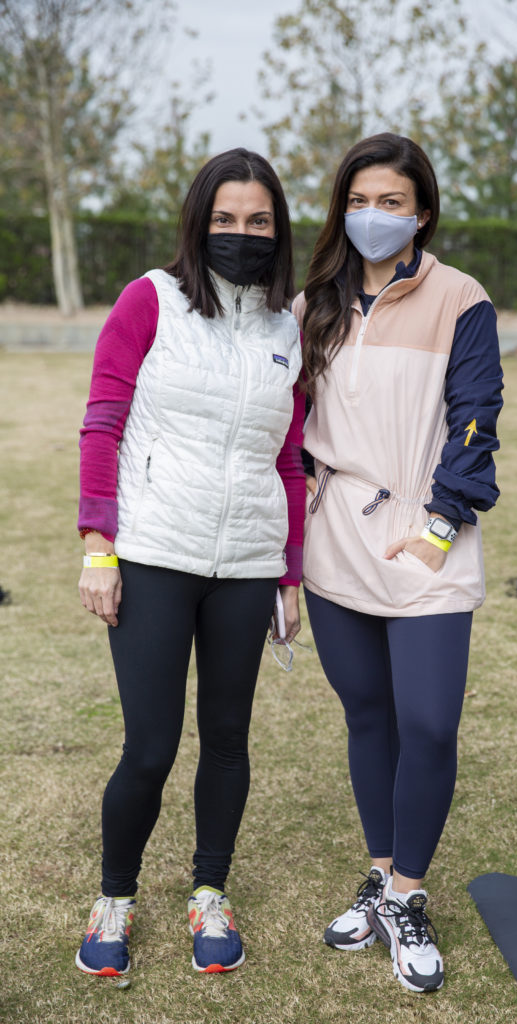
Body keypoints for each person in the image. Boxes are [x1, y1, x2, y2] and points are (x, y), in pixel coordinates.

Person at [75, 149, 305, 977]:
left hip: (245, 563)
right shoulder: (150, 299)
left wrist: (288, 574)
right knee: (149, 748)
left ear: (278, 230)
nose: (241, 233)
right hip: (154, 554)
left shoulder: (288, 328)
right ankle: (115, 897)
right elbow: (102, 424)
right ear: (197, 223)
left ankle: (210, 891)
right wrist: (98, 549)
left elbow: (289, 459)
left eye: (258, 221)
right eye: (224, 219)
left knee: (229, 739)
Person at [294, 133, 503, 994]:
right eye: (358, 201)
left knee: (429, 725)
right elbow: (287, 427)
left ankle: (409, 893)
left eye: (391, 202)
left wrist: (441, 526)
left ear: (421, 213)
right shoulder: (311, 304)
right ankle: (382, 878)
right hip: (334, 540)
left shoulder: (460, 297)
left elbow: (477, 415)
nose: (372, 216)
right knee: (369, 716)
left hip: (425, 536)